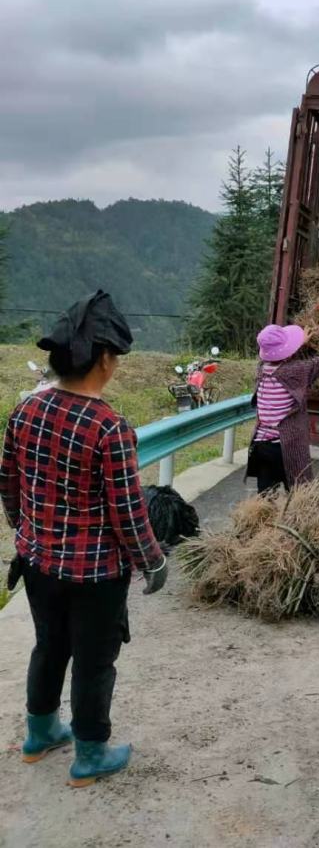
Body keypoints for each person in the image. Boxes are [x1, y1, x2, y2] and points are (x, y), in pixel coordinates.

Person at [0, 290, 167, 788]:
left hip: (37, 562)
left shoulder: (25, 410)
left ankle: (41, 733)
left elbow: (8, 480)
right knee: (94, 663)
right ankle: (90, 753)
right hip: (95, 576)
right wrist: (152, 561)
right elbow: (128, 513)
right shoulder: (110, 427)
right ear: (105, 358)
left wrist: (25, 531)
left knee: (49, 647)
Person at [246, 322, 319, 493]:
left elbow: (279, 359)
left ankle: (265, 519)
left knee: (265, 497)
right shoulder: (295, 371)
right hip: (284, 448)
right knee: (298, 494)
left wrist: (297, 344)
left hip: (260, 446)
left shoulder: (261, 369)